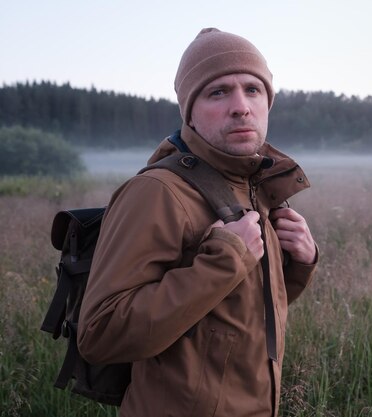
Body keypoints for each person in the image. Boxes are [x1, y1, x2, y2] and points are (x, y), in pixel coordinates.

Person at [77, 28, 318, 417]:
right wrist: (223, 262)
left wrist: (300, 263)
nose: (240, 106)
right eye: (218, 92)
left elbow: (238, 315)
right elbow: (100, 334)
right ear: (189, 110)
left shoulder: (255, 189)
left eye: (253, 90)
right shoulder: (157, 192)